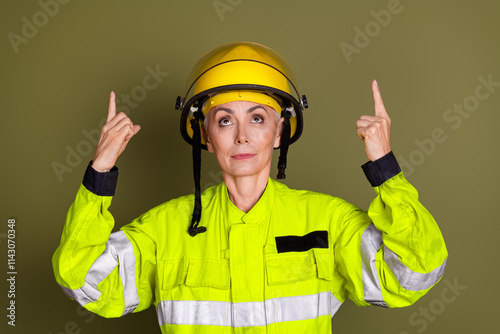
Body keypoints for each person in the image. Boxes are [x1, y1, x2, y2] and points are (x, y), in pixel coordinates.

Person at [52, 42, 448, 333]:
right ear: (204, 136)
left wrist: (385, 169)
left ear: (280, 131)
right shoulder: (164, 229)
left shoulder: (328, 221)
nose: (241, 137)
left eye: (258, 118)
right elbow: (79, 279)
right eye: (224, 120)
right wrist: (99, 172)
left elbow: (416, 272)